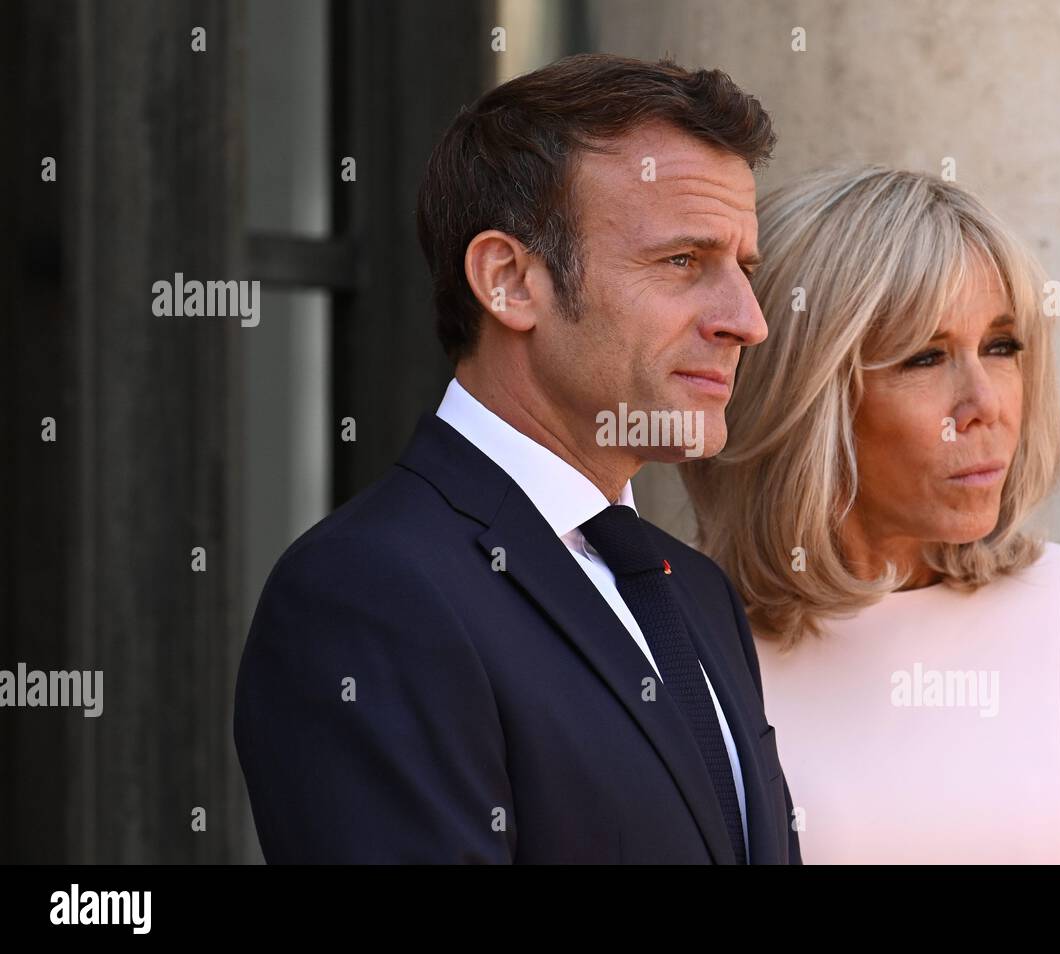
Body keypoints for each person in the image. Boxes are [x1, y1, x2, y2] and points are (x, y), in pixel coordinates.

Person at [234, 53, 801, 864]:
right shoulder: (366, 593)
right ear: (509, 281)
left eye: (743, 271)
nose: (748, 321)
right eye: (683, 262)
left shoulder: (695, 590)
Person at [682, 164, 1060, 864]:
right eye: (924, 358)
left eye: (1001, 346)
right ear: (805, 399)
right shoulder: (685, 650)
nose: (985, 403)